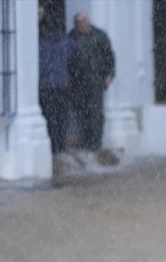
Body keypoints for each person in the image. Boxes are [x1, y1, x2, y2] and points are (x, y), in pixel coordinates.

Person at [69, 12, 117, 163]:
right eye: (80, 22)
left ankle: (96, 143)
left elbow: (109, 55)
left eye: (85, 21)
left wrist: (109, 74)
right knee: (82, 112)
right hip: (79, 83)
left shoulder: (100, 36)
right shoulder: (72, 37)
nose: (83, 24)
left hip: (96, 81)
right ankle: (87, 141)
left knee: (95, 112)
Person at [37, 8, 78, 171]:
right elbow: (77, 53)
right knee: (61, 118)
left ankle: (54, 147)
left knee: (50, 117)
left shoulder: (40, 43)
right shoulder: (64, 40)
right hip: (61, 84)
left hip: (46, 86)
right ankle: (59, 147)